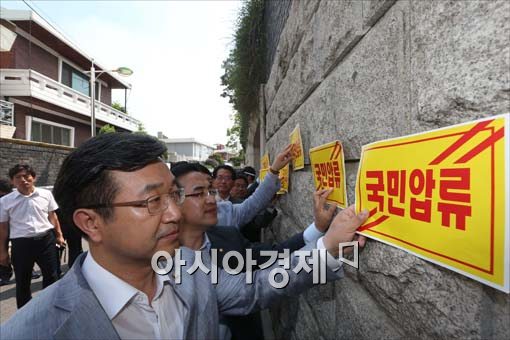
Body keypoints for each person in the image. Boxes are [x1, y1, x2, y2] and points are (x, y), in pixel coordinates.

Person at [0, 133, 367, 339]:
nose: (175, 213)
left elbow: (255, 288)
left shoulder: (189, 266)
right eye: (151, 202)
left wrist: (328, 248)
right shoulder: (37, 331)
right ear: (91, 223)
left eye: (173, 195)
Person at [172, 161, 336, 340]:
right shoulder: (161, 266)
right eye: (198, 194)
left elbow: (274, 256)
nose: (211, 199)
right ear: (173, 200)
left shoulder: (228, 237)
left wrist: (319, 229)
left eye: (210, 191)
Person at [0, 164, 65, 308]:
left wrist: (59, 236)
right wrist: (2, 252)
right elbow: (3, 228)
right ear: (12, 181)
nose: (23, 180)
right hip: (21, 244)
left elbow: (52, 216)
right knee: (23, 281)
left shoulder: (46, 194)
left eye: (26, 176)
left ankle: (50, 308)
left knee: (52, 277)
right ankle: (25, 314)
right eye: (18, 177)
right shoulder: (5, 201)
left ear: (33, 178)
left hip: (46, 241)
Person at [0, 179, 13, 286]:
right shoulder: (14, 196)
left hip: (13, 228)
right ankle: (5, 275)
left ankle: (5, 275)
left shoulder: (13, 198)